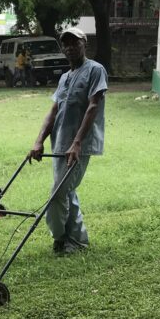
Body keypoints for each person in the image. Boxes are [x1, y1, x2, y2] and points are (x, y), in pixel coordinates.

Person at [27, 27, 107, 256]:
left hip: (79, 145)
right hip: (60, 144)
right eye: (66, 44)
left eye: (75, 42)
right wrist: (39, 141)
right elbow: (54, 110)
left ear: (85, 44)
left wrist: (78, 142)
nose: (70, 47)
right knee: (67, 191)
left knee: (58, 193)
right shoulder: (65, 77)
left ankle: (60, 237)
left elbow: (93, 106)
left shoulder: (95, 70)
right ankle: (78, 240)